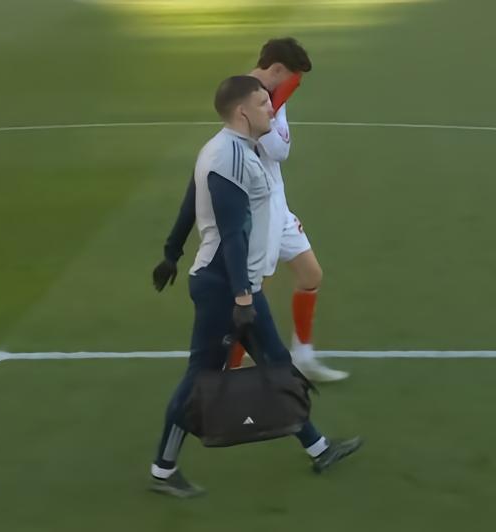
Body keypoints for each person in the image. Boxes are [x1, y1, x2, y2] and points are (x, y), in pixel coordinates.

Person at [150, 76, 362, 498]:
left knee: (277, 364)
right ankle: (163, 469)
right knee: (201, 377)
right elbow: (232, 234)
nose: (272, 109)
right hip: (226, 288)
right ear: (242, 112)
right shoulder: (229, 157)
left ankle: (319, 448)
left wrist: (172, 252)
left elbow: (191, 199)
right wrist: (243, 299)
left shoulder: (231, 149)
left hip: (235, 285)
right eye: (264, 103)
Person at [152, 37, 348, 382]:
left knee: (310, 275)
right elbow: (279, 149)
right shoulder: (252, 100)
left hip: (277, 203)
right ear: (278, 69)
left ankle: (302, 356)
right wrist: (173, 250)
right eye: (294, 78)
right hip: (257, 210)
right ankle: (231, 369)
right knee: (252, 292)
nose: (296, 85)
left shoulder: (270, 98)